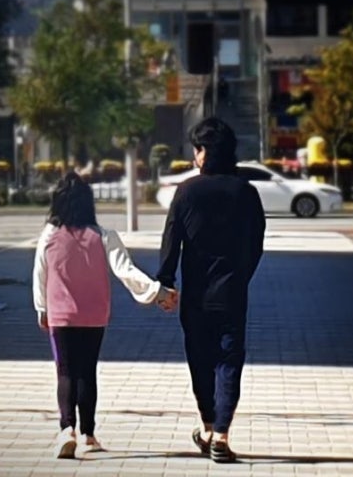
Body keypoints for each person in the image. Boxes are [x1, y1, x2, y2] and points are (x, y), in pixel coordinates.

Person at [32, 172, 178, 459]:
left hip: (60, 316)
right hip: (94, 315)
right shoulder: (103, 236)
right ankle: (88, 434)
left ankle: (66, 430)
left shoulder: (49, 234)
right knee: (87, 372)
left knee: (65, 372)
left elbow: (40, 273)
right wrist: (158, 292)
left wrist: (42, 308)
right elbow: (126, 271)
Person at [156, 117, 265, 463]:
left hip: (197, 295)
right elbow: (257, 243)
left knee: (200, 361)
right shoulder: (246, 192)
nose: (194, 156)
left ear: (204, 152)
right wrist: (241, 276)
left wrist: (166, 283)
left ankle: (208, 424)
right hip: (232, 293)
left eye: (196, 149)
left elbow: (171, 240)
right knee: (229, 361)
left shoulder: (187, 191)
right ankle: (220, 434)